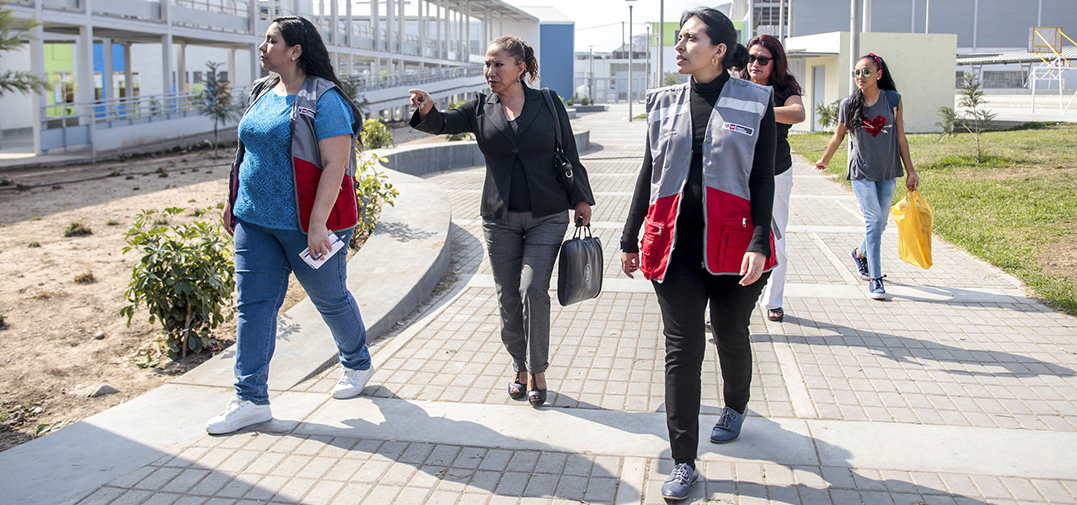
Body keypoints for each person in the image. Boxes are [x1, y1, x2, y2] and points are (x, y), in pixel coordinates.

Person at [620, 8, 776, 501]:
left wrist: (758, 244)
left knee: (731, 334)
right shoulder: (663, 102)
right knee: (682, 349)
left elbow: (762, 180)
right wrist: (628, 239)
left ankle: (735, 404)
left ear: (719, 50)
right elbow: (649, 173)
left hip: (735, 245)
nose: (680, 46)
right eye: (679, 37)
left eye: (691, 38)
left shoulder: (756, 100)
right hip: (674, 248)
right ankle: (684, 460)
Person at [408, 36, 595, 408]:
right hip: (499, 218)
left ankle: (538, 369)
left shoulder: (548, 103)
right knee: (508, 296)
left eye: (498, 65)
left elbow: (569, 151)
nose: (490, 72)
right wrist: (428, 109)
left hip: (547, 213)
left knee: (532, 290)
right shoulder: (479, 107)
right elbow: (443, 123)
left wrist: (582, 197)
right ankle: (518, 367)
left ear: (520, 68)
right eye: (487, 65)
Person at [208, 16, 373, 435]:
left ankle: (356, 363)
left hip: (306, 226)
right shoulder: (262, 92)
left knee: (330, 298)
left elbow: (336, 165)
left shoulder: (325, 98)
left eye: (272, 40)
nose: (262, 46)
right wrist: (233, 201)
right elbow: (248, 152)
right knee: (254, 307)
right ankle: (250, 399)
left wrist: (319, 225)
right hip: (254, 222)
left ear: (296, 50)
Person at [815, 53, 919, 300]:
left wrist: (911, 171)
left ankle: (860, 254)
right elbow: (838, 136)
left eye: (866, 72)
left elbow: (901, 137)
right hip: (861, 171)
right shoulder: (849, 104)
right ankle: (876, 279)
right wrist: (825, 160)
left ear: (879, 74)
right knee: (873, 222)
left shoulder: (893, 100)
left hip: (888, 171)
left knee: (881, 224)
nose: (860, 77)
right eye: (856, 73)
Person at [742, 35, 805, 323]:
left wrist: (760, 110)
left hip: (777, 173)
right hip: (738, 174)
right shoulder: (736, 84)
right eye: (751, 57)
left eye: (762, 59)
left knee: (774, 239)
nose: (755, 63)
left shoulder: (784, 88)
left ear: (774, 63)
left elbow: (797, 113)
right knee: (732, 237)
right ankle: (718, 305)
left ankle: (773, 301)